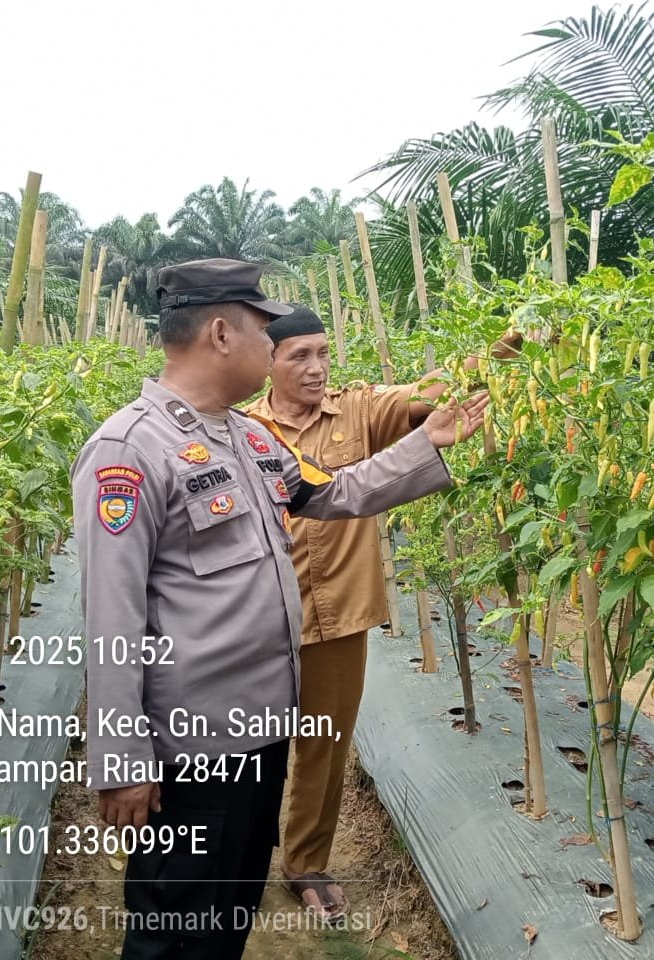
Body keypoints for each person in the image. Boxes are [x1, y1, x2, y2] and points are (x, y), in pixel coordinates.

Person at [70, 258, 487, 960]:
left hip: (258, 732)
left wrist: (427, 443)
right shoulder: (130, 449)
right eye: (267, 330)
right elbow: (111, 618)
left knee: (227, 911)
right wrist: (121, 761)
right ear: (223, 333)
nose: (277, 346)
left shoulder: (250, 438)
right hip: (191, 750)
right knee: (177, 922)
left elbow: (333, 493)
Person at [245, 305, 513, 920]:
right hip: (260, 614)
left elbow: (437, 388)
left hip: (339, 612)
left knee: (324, 742)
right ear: (268, 363)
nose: (316, 369)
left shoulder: (361, 409)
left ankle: (305, 860)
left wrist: (503, 348)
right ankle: (241, 848)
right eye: (299, 356)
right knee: (251, 740)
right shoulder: (241, 427)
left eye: (322, 353)